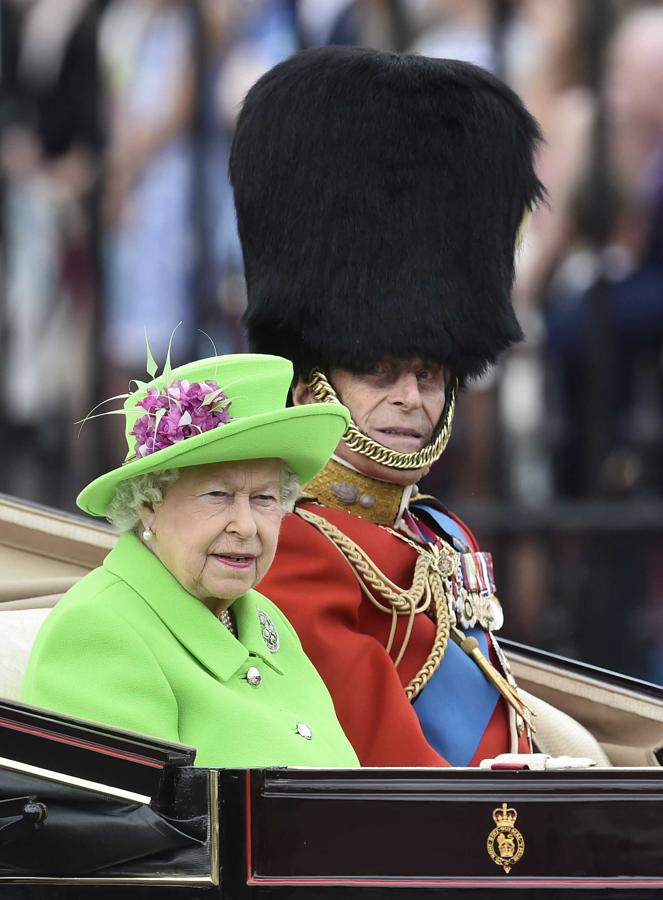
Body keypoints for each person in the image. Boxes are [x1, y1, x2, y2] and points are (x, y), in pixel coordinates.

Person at [229, 46, 545, 767]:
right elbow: (388, 759)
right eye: (378, 371)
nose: (410, 397)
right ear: (312, 387)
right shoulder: (296, 544)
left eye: (429, 374)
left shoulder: (438, 533)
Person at [21, 353, 359, 769]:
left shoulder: (266, 619)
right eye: (217, 495)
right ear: (149, 503)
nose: (247, 526)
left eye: (264, 498)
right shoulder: (98, 631)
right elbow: (132, 831)